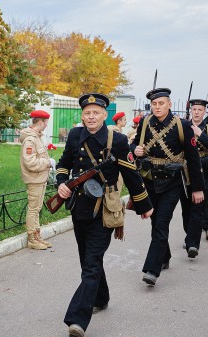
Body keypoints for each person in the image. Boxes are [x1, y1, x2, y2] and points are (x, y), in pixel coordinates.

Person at [56, 93, 153, 337]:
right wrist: (61, 182)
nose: (91, 116)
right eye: (87, 112)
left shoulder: (118, 140)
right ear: (82, 115)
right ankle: (102, 297)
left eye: (96, 113)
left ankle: (78, 319)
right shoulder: (75, 136)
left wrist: (144, 205)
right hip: (79, 208)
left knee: (91, 264)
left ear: (103, 115)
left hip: (105, 211)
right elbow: (64, 163)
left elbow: (131, 174)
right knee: (87, 260)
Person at [131, 88, 205, 286]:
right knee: (156, 222)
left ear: (169, 104)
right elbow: (134, 145)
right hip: (150, 181)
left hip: (173, 182)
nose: (157, 107)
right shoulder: (145, 122)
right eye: (154, 104)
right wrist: (135, 149)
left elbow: (193, 158)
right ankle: (164, 257)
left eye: (161, 103)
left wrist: (197, 188)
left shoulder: (182, 126)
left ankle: (151, 270)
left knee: (162, 222)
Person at [20, 110, 55, 250]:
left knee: (37, 208)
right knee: (33, 209)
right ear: (40, 122)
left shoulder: (37, 137)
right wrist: (47, 163)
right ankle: (32, 238)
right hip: (34, 178)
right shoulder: (30, 139)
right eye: (46, 123)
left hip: (40, 178)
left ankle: (37, 235)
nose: (46, 125)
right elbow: (30, 162)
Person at [180, 99, 208, 247]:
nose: (196, 112)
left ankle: (192, 244)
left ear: (204, 112)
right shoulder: (184, 126)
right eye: (194, 109)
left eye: (200, 110)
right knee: (186, 209)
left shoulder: (206, 128)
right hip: (185, 173)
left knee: (198, 208)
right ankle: (189, 235)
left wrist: (200, 134)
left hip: (204, 173)